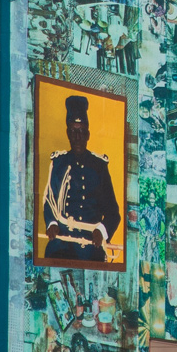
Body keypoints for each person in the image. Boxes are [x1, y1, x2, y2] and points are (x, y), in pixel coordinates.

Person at [42, 94, 123, 264]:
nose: (77, 137)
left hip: (90, 247)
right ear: (67, 133)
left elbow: (113, 213)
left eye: (81, 131)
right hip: (61, 244)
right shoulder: (58, 163)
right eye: (73, 131)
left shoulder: (99, 166)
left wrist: (101, 230)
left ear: (88, 134)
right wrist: (51, 224)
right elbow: (49, 200)